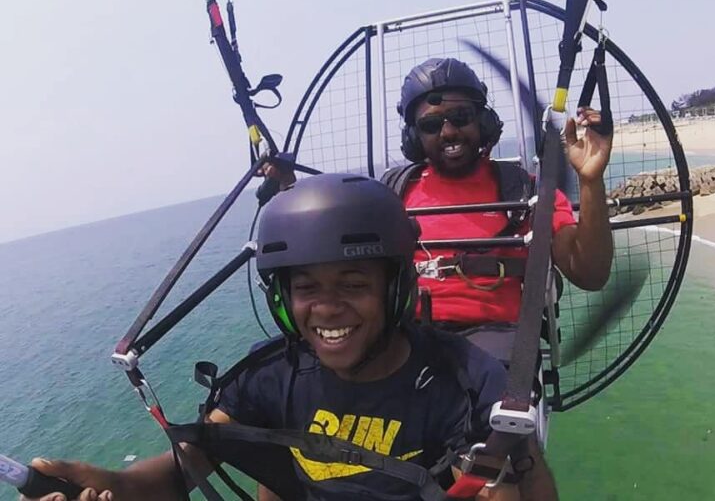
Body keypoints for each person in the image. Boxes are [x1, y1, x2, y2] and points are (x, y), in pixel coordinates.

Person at [21, 174, 558, 501]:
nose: (326, 307)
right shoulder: (269, 376)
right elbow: (185, 468)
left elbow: (519, 483)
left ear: (395, 288)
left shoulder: (467, 383)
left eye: (353, 283)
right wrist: (102, 479)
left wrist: (507, 467)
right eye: (306, 287)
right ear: (282, 296)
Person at [384, 57, 613, 324]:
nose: (447, 132)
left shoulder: (523, 191)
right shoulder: (394, 193)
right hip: (409, 342)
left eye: (460, 117)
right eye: (430, 125)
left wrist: (591, 181)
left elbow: (590, 274)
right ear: (414, 137)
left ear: (483, 122)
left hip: (493, 351)